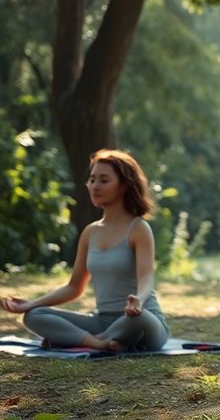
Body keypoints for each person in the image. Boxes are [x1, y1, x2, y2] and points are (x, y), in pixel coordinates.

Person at [1, 149, 169, 351]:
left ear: (124, 185)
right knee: (34, 316)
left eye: (104, 180)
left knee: (140, 320)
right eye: (92, 179)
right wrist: (31, 304)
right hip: (102, 321)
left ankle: (73, 340)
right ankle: (99, 343)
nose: (94, 186)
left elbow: (146, 278)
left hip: (141, 319)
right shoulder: (90, 232)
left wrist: (138, 301)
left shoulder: (139, 228)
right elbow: (74, 287)